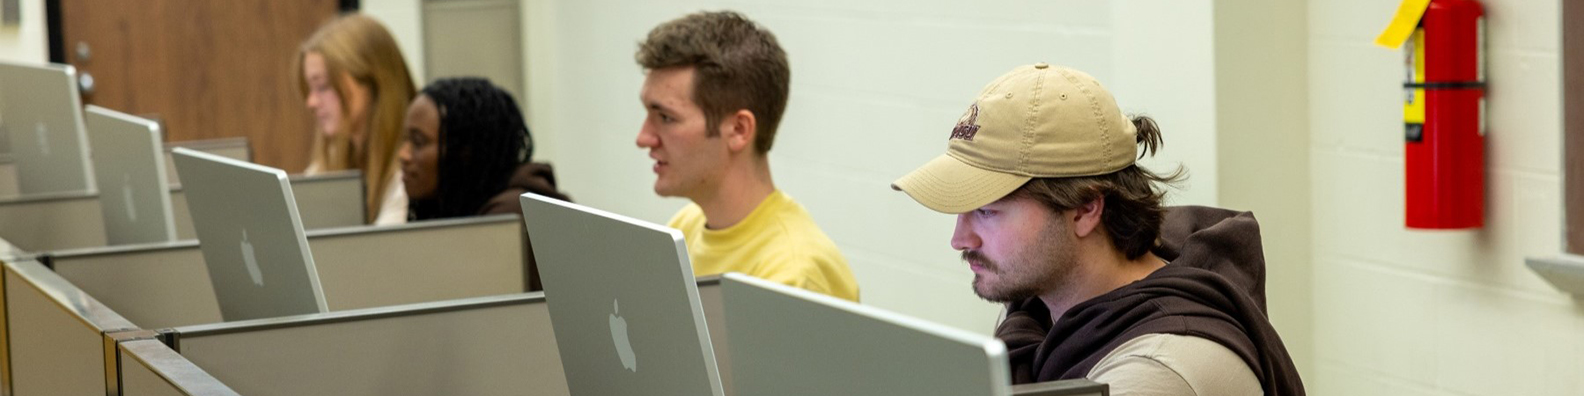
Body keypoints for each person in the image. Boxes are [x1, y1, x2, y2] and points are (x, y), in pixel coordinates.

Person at [892, 63, 1304, 395]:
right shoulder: (1041, 309)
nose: (959, 239)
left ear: (1086, 209)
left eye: (986, 211)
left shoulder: (1161, 371)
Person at [634, 11, 859, 301]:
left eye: (666, 117)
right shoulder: (685, 227)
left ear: (739, 130)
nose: (643, 138)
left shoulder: (794, 275)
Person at [399, 77, 570, 290]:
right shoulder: (464, 204)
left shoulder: (507, 218)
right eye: (404, 140)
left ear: (464, 152)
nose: (403, 154)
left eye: (418, 142)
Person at [295, 13, 416, 225]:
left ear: (373, 83)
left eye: (323, 86)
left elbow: (377, 251)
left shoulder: (411, 167)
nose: (311, 102)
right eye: (311, 89)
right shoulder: (333, 157)